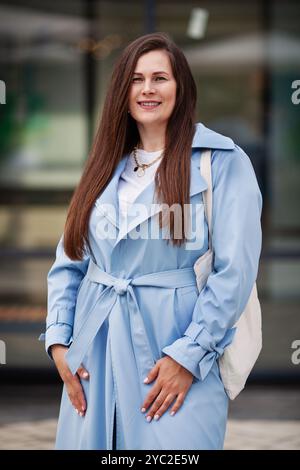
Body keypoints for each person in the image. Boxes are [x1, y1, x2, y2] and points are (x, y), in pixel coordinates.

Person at [39, 32, 262, 450]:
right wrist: (59, 344)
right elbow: (69, 262)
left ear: (181, 88)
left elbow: (235, 273)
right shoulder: (103, 166)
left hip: (174, 356)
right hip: (93, 359)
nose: (147, 89)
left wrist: (188, 357)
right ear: (122, 91)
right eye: (136, 79)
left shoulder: (223, 163)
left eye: (160, 77)